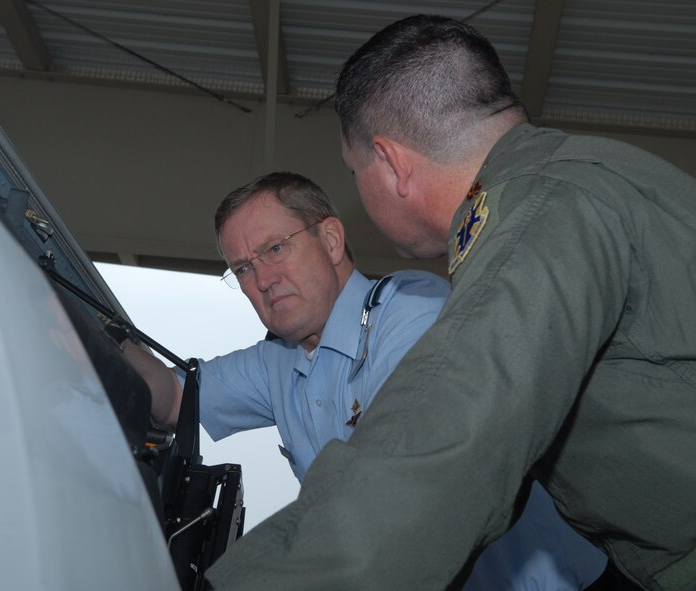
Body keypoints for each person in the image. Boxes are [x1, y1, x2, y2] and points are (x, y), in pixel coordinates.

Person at [205, 15, 696, 591]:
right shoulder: (590, 178)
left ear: (389, 163)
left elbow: (446, 446)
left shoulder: (540, 216)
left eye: (354, 169)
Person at [121, 171, 449, 483]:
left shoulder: (410, 311)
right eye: (244, 269)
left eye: (276, 249)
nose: (263, 280)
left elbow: (393, 480)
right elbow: (176, 397)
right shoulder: (277, 360)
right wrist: (107, 339)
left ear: (332, 241)